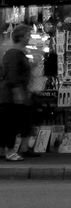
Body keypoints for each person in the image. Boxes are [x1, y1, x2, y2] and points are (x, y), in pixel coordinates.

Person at [1, 25, 32, 161]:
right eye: (27, 35)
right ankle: (10, 151)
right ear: (20, 37)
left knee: (11, 122)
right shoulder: (14, 53)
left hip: (13, 93)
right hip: (11, 95)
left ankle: (5, 150)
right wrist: (18, 93)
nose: (29, 37)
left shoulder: (16, 52)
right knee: (11, 122)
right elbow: (13, 75)